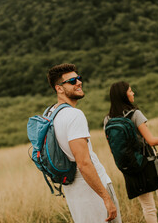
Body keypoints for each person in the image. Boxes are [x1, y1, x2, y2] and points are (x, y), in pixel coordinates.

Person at [104, 81, 158, 223]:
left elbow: (112, 149)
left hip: (129, 165)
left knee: (147, 206)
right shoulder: (135, 114)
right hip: (147, 161)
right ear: (123, 95)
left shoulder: (107, 120)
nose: (133, 93)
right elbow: (151, 141)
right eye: (130, 91)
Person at [46, 63, 122, 223]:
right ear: (59, 88)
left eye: (78, 78)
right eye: (72, 81)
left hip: (72, 189)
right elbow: (84, 163)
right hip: (92, 190)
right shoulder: (74, 115)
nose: (79, 82)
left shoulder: (50, 114)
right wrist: (106, 197)